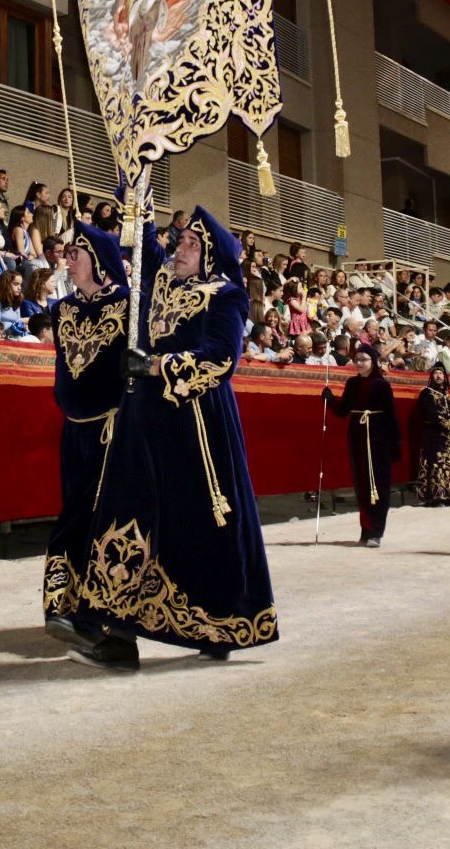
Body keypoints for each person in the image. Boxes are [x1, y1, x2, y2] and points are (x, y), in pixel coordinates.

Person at [71, 206, 277, 670]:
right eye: (179, 241)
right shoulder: (158, 282)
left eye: (190, 245)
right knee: (125, 510)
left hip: (196, 423)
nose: (179, 249)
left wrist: (159, 364)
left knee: (201, 522)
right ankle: (117, 634)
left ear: (210, 256)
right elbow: (142, 238)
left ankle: (218, 625)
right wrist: (134, 182)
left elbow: (224, 357)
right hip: (142, 416)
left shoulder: (227, 296)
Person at [324, 343, 400, 546]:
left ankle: (376, 531)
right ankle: (366, 529)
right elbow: (343, 411)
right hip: (357, 436)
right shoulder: (352, 383)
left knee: (379, 483)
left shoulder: (382, 385)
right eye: (357, 360)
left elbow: (391, 416)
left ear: (373, 362)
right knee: (362, 482)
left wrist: (395, 444)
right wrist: (331, 400)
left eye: (364, 359)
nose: (359, 363)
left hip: (378, 437)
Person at [410, 364, 450, 507]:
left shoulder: (446, 395)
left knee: (446, 463)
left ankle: (447, 494)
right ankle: (434, 497)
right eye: (435, 373)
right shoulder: (426, 393)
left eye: (441, 373)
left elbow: (448, 415)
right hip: (432, 433)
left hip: (446, 435)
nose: (438, 376)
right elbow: (431, 413)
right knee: (435, 463)